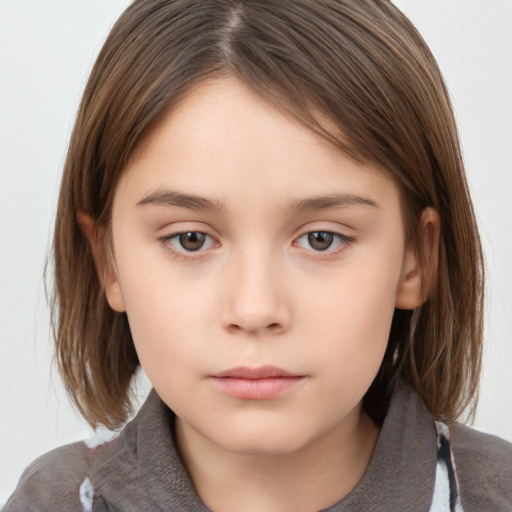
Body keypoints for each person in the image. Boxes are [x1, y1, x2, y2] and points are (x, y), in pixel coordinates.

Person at [5, 0, 512, 510]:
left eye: (321, 239)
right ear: (107, 261)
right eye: (191, 239)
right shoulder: (55, 500)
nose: (254, 310)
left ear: (415, 257)